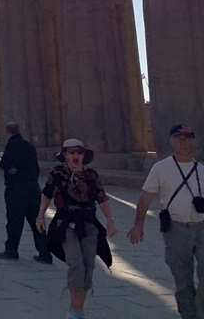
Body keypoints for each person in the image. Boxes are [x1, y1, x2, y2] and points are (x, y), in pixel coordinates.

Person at [127, 124, 204, 319]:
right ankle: (189, 315)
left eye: (187, 138)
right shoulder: (161, 168)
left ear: (193, 141)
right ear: (171, 141)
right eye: (179, 138)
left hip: (202, 227)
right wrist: (138, 224)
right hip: (177, 230)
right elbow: (145, 197)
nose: (183, 142)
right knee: (184, 281)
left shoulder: (201, 170)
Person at [36, 138, 116, 319]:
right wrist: (40, 216)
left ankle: (79, 309)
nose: (76, 156)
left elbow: (102, 198)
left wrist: (110, 220)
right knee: (76, 265)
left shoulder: (91, 175)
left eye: (79, 152)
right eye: (72, 152)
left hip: (88, 224)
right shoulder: (57, 173)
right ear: (65, 154)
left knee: (88, 266)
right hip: (66, 225)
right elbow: (47, 195)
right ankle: (74, 311)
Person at [0, 122, 51, 263]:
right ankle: (45, 253)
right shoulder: (29, 146)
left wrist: (5, 164)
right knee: (36, 220)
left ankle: (11, 250)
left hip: (17, 188)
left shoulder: (11, 146)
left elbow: (6, 163)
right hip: (32, 186)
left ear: (7, 131)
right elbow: (35, 166)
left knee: (15, 220)